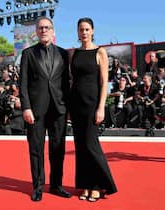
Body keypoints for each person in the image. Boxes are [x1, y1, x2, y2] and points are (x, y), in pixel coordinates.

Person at [19, 16, 71, 201]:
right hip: (35, 110)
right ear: (36, 31)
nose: (43, 30)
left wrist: (68, 108)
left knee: (58, 149)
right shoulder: (28, 54)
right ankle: (38, 187)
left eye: (47, 27)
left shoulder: (64, 54)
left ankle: (56, 185)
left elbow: (67, 83)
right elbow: (22, 83)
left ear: (53, 30)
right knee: (36, 150)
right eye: (40, 28)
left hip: (58, 109)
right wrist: (26, 107)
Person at [70, 17, 117, 202]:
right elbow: (73, 81)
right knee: (80, 147)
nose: (84, 33)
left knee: (91, 145)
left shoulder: (100, 52)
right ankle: (87, 185)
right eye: (81, 29)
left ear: (93, 31)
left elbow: (104, 82)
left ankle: (101, 185)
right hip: (76, 104)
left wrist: (101, 108)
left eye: (87, 29)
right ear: (77, 32)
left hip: (92, 104)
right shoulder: (74, 53)